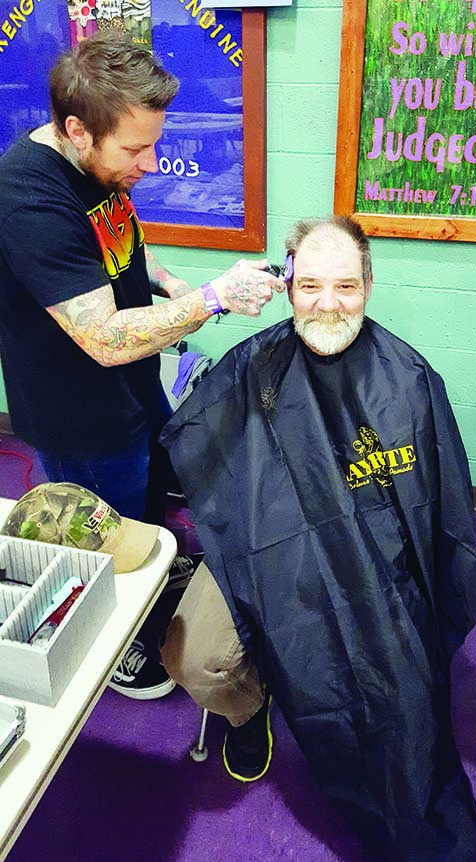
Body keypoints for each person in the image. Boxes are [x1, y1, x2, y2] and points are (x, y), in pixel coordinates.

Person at [159, 216, 476, 862]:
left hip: (370, 568)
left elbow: (439, 518)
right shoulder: (253, 373)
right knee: (193, 654)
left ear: (368, 284)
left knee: (390, 686)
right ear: (287, 288)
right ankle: (246, 708)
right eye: (309, 285)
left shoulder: (409, 382)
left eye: (344, 285)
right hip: (269, 553)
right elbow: (214, 481)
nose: (327, 303)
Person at [0, 32, 284, 700]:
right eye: (134, 150)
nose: (150, 164)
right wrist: (213, 301)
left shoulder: (97, 167)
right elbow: (100, 337)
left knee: (154, 485)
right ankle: (121, 642)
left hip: (132, 380)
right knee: (105, 542)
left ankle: (152, 569)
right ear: (77, 130)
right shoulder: (28, 199)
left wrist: (173, 287)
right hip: (81, 410)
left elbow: (122, 248)